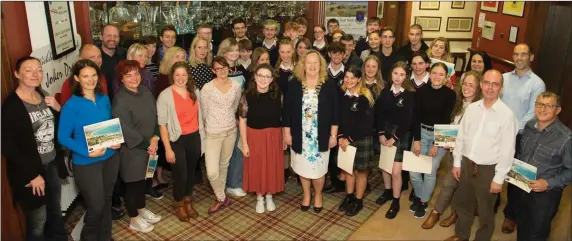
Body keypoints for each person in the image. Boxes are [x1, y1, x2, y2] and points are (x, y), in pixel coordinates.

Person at [445, 70, 518, 241]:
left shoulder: (507, 116)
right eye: (487, 83)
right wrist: (457, 162)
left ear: (501, 88)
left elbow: (508, 150)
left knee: (485, 211)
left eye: (495, 84)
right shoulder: (471, 108)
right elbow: (461, 137)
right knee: (464, 204)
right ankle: (461, 235)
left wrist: (499, 178)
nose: (490, 88)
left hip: (489, 169)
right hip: (467, 163)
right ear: (481, 85)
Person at [2, 56, 67, 241]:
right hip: (32, 173)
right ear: (17, 74)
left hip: (52, 163)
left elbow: (58, 128)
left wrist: (58, 108)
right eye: (29, 70)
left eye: (38, 69)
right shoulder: (12, 106)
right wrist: (32, 175)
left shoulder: (42, 94)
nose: (35, 74)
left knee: (55, 211)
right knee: (38, 220)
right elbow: (9, 146)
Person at [58, 59, 121, 241]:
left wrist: (114, 141)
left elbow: (106, 126)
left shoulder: (104, 98)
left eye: (94, 75)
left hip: (110, 157)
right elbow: (63, 137)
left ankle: (105, 237)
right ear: (77, 78)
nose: (91, 80)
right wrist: (87, 151)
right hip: (87, 163)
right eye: (85, 76)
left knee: (107, 201)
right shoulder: (71, 105)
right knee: (96, 206)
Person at [421, 71, 482, 229]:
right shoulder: (458, 102)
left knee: (449, 183)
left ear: (478, 88)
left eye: (471, 85)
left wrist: (457, 144)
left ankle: (436, 212)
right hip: (450, 151)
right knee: (457, 184)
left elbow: (477, 136)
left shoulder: (479, 109)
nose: (467, 87)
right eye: (465, 84)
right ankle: (455, 212)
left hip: (466, 155)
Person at [283, 50, 339, 213]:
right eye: (309, 62)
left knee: (319, 169)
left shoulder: (328, 84)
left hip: (320, 136)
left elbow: (335, 113)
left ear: (321, 65)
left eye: (316, 62)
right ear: (303, 64)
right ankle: (306, 194)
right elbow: (287, 112)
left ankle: (318, 195)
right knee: (302, 168)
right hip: (300, 136)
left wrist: (333, 135)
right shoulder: (294, 83)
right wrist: (287, 134)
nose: (313, 66)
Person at [501, 43, 546, 234]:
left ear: (531, 57)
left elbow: (533, 113)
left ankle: (512, 215)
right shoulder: (503, 78)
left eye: (524, 54)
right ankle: (489, 204)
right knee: (491, 168)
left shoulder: (537, 84)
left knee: (515, 178)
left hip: (521, 136)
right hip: (498, 133)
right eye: (516, 54)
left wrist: (512, 129)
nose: (519, 58)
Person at [112, 60, 162, 232]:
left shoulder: (146, 91)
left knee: (143, 182)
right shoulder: (120, 100)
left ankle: (141, 209)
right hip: (133, 151)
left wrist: (155, 137)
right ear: (121, 79)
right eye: (128, 75)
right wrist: (147, 144)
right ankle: (134, 218)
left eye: (136, 73)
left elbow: (156, 116)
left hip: (150, 147)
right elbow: (124, 129)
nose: (134, 78)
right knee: (132, 186)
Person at [515, 91, 571, 241]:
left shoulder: (565, 138)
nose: (542, 109)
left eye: (548, 106)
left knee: (536, 233)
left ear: (557, 110)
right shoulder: (529, 126)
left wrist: (547, 183)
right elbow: (522, 152)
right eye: (539, 104)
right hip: (523, 187)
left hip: (545, 196)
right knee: (522, 225)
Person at [157, 62, 205, 221]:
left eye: (184, 74)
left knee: (191, 173)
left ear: (188, 76)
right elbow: (162, 125)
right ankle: (178, 204)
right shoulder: (165, 95)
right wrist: (167, 149)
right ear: (172, 76)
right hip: (176, 140)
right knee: (180, 174)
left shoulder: (194, 91)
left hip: (194, 137)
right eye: (177, 75)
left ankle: (187, 200)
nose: (180, 78)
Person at [410, 62, 457, 219]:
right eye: (434, 73)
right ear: (430, 73)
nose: (437, 77)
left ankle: (423, 202)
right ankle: (419, 196)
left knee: (430, 172)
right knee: (414, 172)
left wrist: (437, 144)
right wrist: (416, 140)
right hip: (421, 133)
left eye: (441, 74)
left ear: (446, 77)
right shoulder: (421, 91)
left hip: (440, 136)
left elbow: (446, 120)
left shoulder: (450, 95)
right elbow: (415, 117)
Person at [238, 63, 285, 213]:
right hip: (254, 136)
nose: (263, 79)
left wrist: (284, 137)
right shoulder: (247, 96)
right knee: (257, 166)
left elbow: (283, 118)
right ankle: (259, 197)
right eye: (260, 76)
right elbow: (242, 121)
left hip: (274, 136)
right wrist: (244, 144)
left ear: (272, 79)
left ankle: (269, 195)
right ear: (255, 77)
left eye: (267, 76)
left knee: (271, 166)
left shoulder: (278, 94)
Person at [200, 56, 242, 214]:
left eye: (224, 68)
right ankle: (223, 197)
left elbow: (235, 105)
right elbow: (203, 112)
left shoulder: (236, 86)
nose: (222, 71)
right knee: (212, 171)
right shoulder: (207, 88)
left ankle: (219, 199)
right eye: (218, 68)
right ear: (213, 70)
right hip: (212, 132)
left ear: (228, 68)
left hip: (230, 131)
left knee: (224, 165)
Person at [374, 61, 416, 219]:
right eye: (395, 73)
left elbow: (409, 120)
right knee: (385, 166)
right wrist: (381, 133)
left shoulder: (410, 94)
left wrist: (394, 138)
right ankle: (387, 192)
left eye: (402, 74)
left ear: (407, 76)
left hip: (401, 133)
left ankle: (396, 201)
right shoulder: (385, 92)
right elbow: (379, 115)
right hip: (386, 131)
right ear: (391, 74)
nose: (398, 77)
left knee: (396, 171)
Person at [336, 66, 376, 217]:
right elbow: (338, 119)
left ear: (359, 79)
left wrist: (349, 139)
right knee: (348, 170)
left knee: (360, 172)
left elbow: (366, 125)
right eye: (346, 77)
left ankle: (358, 201)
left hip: (361, 139)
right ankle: (349, 197)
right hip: (345, 140)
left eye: (353, 77)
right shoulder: (343, 96)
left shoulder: (365, 97)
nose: (349, 80)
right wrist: (340, 136)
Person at [99, 24, 127, 100]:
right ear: (101, 37)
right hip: (102, 101)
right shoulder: (95, 56)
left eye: (115, 36)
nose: (112, 39)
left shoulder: (124, 54)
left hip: (122, 99)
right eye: (108, 35)